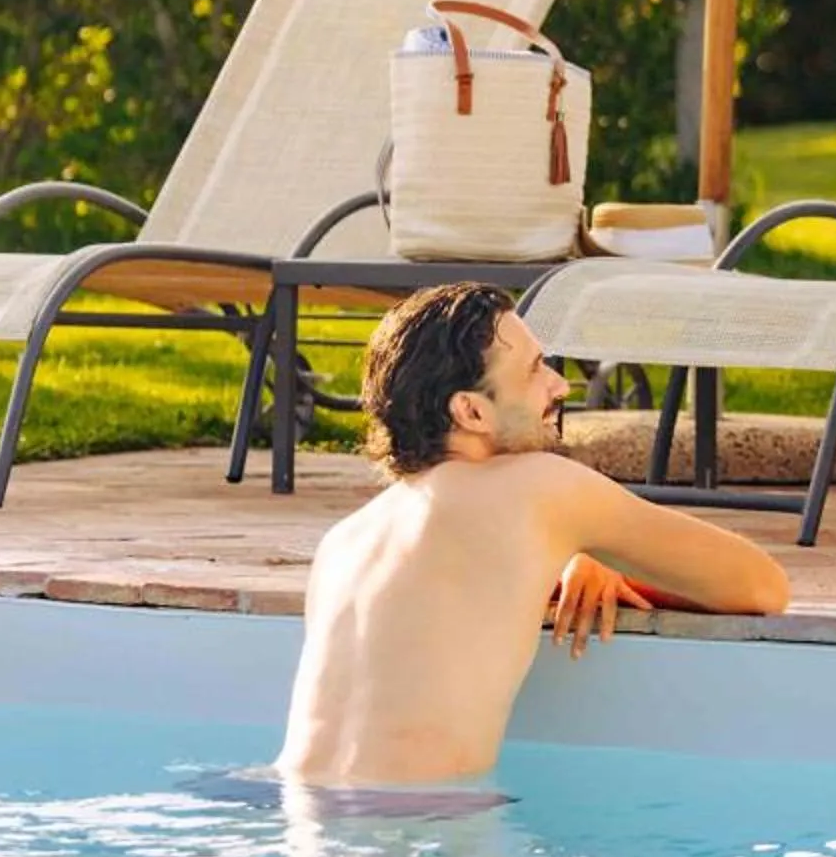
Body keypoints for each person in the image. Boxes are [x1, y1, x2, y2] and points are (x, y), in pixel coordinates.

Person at [280, 282, 789, 789]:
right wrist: (593, 548)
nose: (560, 386)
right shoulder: (540, 487)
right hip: (422, 825)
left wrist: (571, 553)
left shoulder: (344, 542)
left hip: (300, 812)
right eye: (534, 370)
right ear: (472, 412)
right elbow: (761, 586)